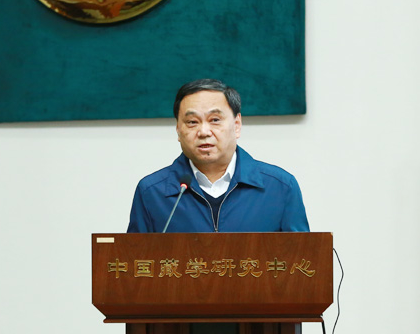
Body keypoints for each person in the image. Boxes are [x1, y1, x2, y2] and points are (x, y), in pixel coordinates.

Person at [127, 78, 309, 233]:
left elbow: (303, 258)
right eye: (192, 122)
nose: (204, 132)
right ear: (178, 130)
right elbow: (135, 259)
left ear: (237, 125)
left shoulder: (280, 187)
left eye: (215, 120)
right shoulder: (152, 192)